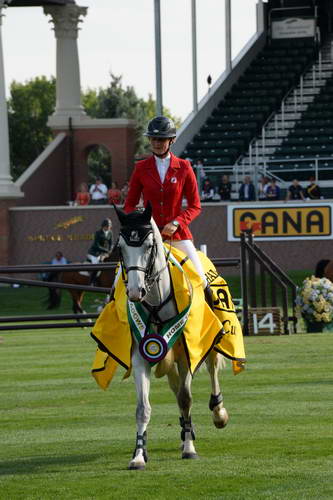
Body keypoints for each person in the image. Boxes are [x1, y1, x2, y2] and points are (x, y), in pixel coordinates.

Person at [124, 115, 213, 305]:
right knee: (119, 280)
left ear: (171, 140)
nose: (157, 143)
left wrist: (177, 222)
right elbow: (129, 205)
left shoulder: (184, 167)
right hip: (147, 236)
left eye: (162, 139)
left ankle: (218, 321)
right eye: (154, 139)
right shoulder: (140, 168)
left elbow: (195, 205)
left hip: (178, 236)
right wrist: (141, 220)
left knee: (201, 279)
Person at [87, 218, 113, 285]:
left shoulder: (110, 233)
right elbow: (96, 245)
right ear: (103, 226)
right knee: (97, 265)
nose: (108, 228)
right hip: (95, 253)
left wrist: (110, 250)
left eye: (109, 226)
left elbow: (110, 243)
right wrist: (107, 250)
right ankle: (92, 281)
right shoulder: (98, 233)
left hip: (103, 253)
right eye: (107, 226)